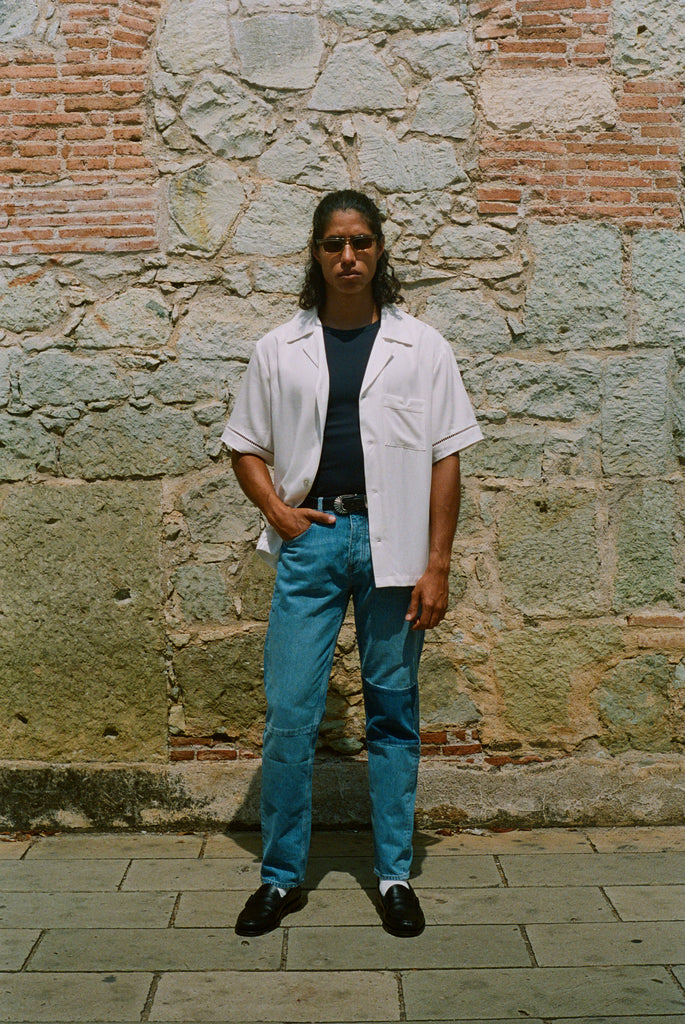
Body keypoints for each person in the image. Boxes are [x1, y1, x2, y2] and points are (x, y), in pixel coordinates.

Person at [222, 189, 482, 938]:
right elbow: (244, 445)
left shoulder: (422, 347)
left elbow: (446, 458)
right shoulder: (279, 348)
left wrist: (437, 564)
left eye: (360, 242)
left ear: (378, 250)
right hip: (314, 539)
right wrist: (278, 513)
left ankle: (394, 874)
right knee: (290, 712)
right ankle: (280, 877)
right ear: (315, 252)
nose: (347, 256)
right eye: (333, 244)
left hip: (395, 548)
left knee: (392, 710)